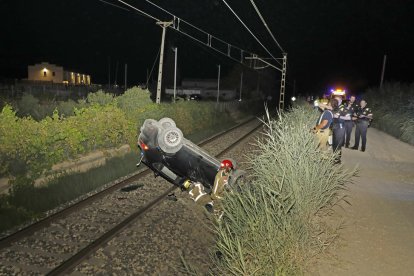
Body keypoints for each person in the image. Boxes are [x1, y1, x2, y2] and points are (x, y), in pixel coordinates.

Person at [331, 95, 349, 163]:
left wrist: (339, 117)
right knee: (334, 144)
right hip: (334, 127)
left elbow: (349, 117)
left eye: (337, 100)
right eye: (335, 99)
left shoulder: (343, 108)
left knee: (338, 145)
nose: (336, 101)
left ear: (341, 101)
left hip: (340, 128)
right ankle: (334, 157)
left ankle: (337, 160)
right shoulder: (334, 107)